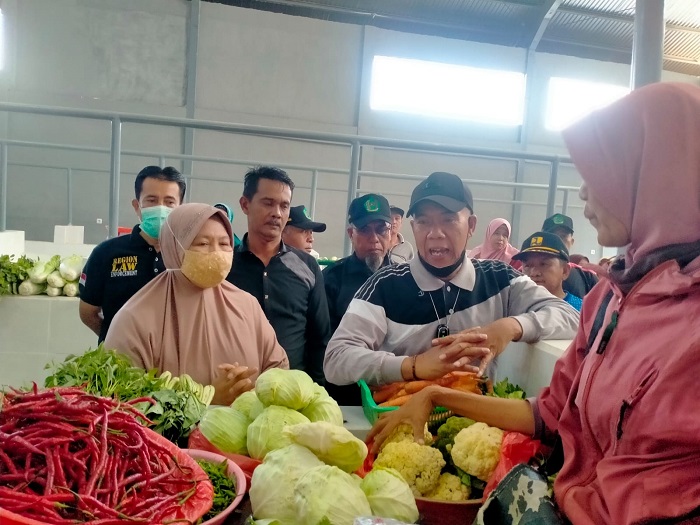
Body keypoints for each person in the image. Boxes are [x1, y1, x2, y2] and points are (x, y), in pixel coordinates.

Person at [368, 82, 700, 525]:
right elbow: (549, 414)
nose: (582, 193)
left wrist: (510, 326)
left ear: (658, 175)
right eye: (424, 222)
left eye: (599, 173)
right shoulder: (609, 299)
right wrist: (431, 391)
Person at [323, 171, 579, 387]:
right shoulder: (384, 285)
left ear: (471, 226)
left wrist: (510, 326)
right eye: (423, 222)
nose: (435, 234)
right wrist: (412, 366)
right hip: (401, 422)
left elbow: (570, 315)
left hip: (478, 421)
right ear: (413, 228)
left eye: (448, 220)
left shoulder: (500, 279)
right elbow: (336, 359)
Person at [104, 203, 289, 406]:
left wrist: (257, 390)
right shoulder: (135, 318)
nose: (216, 253)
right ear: (174, 246)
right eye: (202, 244)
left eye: (224, 243)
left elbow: (278, 366)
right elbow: (123, 408)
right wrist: (206, 402)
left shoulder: (247, 305)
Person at [226, 166, 331, 385]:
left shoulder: (307, 266)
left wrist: (316, 389)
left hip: (292, 393)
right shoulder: (225, 266)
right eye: (268, 203)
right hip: (237, 391)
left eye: (284, 205)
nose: (277, 213)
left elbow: (319, 337)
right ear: (245, 204)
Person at [79, 166, 186, 342]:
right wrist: (116, 340)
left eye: (169, 202)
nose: (160, 208)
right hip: (119, 363)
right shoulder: (106, 253)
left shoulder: (187, 255)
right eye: (151, 200)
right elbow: (88, 313)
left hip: (173, 365)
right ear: (137, 206)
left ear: (180, 208)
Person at [323, 194, 394, 405]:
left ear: (391, 233)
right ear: (351, 234)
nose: (374, 238)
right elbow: (323, 340)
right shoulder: (332, 278)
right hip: (345, 395)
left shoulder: (405, 278)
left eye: (381, 229)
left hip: (394, 393)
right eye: (364, 230)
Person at [512, 232, 583, 312]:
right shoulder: (514, 306)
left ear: (565, 271)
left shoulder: (582, 310)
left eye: (543, 264)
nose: (534, 273)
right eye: (527, 266)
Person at [542, 213, 598, 298]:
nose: (558, 242)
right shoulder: (527, 273)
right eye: (552, 237)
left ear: (572, 241)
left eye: (563, 237)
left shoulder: (587, 277)